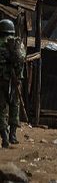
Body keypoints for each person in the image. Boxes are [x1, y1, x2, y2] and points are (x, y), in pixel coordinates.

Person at [0, 19, 24, 148]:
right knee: (15, 106)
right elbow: (22, 60)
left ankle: (4, 137)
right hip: (15, 80)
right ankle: (13, 136)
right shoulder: (17, 43)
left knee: (1, 109)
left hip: (1, 80)